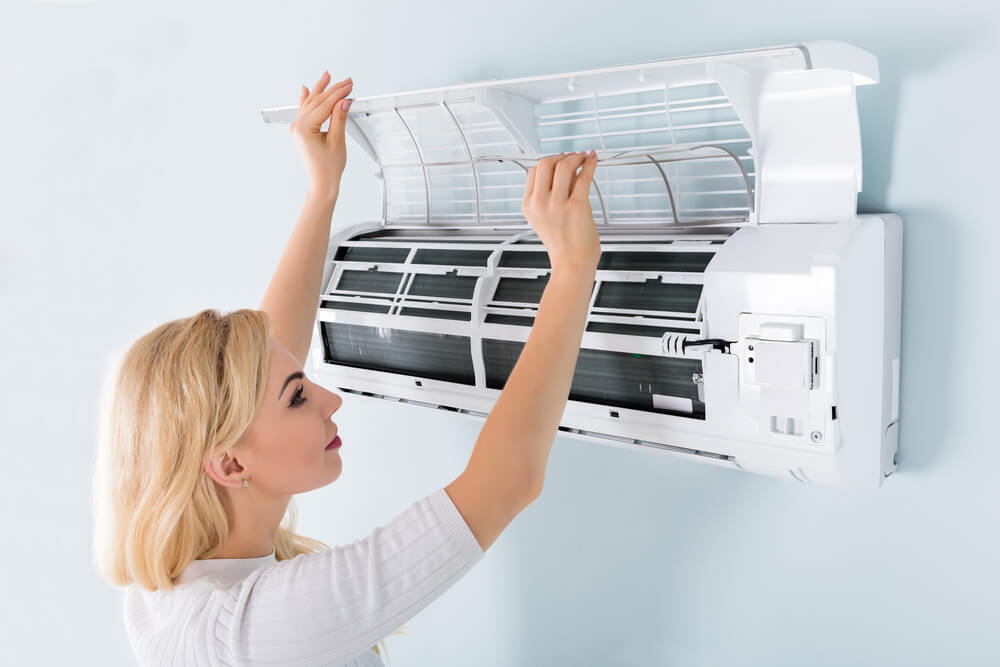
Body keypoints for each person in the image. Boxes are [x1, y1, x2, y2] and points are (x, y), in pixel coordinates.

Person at [90, 70, 601, 666]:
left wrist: (322, 192)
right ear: (228, 463)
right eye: (299, 397)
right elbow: (506, 482)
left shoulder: (170, 590)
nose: (331, 399)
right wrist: (570, 269)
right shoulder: (255, 628)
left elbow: (263, 368)